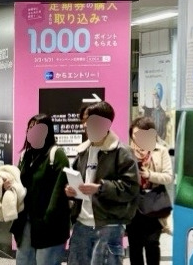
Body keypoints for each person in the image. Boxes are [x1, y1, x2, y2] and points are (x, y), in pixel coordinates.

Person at [65, 101, 140, 265]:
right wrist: (71, 191)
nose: (86, 126)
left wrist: (100, 188)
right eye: (85, 121)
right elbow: (77, 181)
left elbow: (131, 188)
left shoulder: (122, 152)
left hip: (109, 225)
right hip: (81, 224)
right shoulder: (83, 151)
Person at [9, 114, 71, 265]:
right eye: (30, 128)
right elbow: (18, 183)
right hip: (25, 223)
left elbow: (59, 194)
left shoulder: (57, 155)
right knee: (23, 261)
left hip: (49, 226)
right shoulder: (26, 156)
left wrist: (47, 220)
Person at [126, 116, 173, 265]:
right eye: (134, 136)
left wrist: (150, 175)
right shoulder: (127, 152)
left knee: (152, 244)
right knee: (135, 246)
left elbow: (168, 177)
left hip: (155, 204)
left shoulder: (161, 150)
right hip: (134, 205)